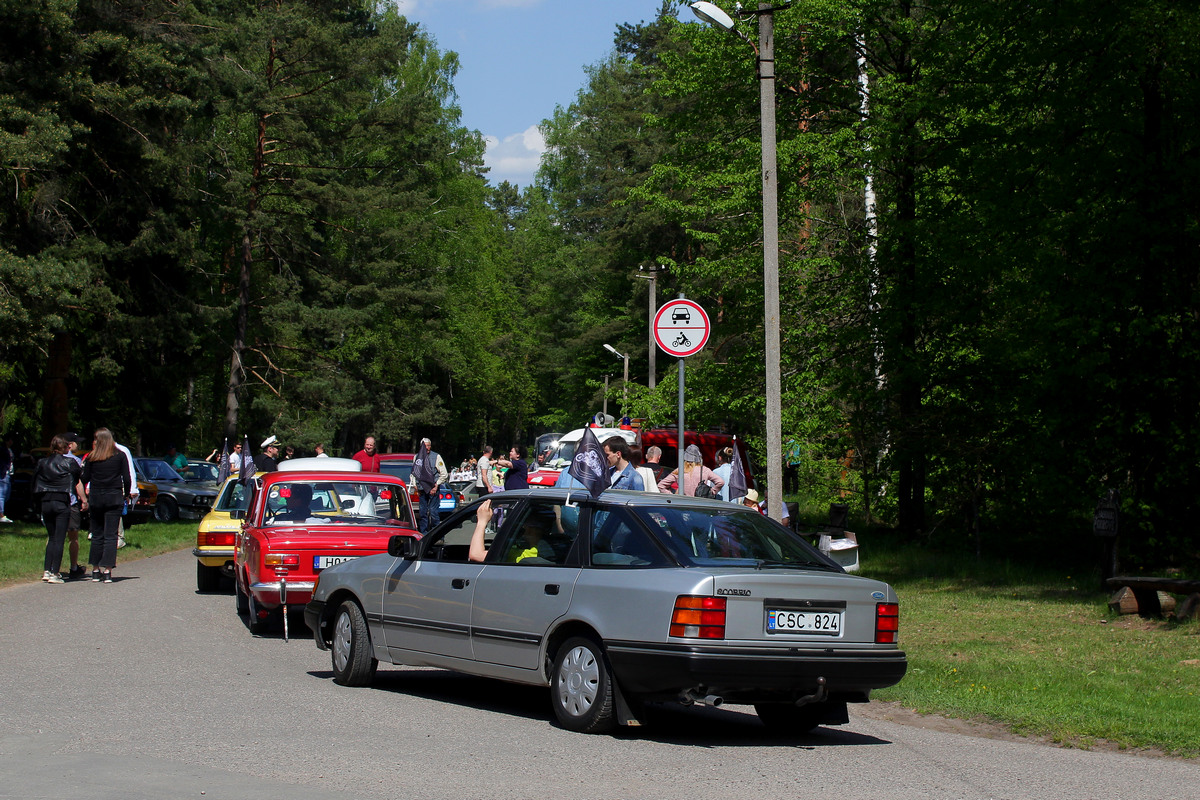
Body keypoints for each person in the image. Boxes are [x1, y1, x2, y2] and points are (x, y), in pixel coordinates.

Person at [33, 434, 86, 583]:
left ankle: (47, 570)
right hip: (61, 501)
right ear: (64, 447)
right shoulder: (69, 462)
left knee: (52, 537)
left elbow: (35, 481)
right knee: (60, 538)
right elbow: (78, 477)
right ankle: (55, 572)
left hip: (46, 501)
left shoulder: (42, 462)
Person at [82, 428, 132, 583]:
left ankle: (95, 570)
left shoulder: (92, 457)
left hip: (96, 497)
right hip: (113, 496)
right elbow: (127, 477)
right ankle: (107, 571)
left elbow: (84, 477)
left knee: (97, 534)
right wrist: (126, 494)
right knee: (111, 535)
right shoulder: (119, 456)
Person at [467, 500, 552, 563]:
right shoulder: (550, 550)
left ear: (530, 529)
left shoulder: (525, 554)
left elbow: (476, 555)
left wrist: (482, 522)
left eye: (525, 524)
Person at [63, 433, 88, 579]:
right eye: (76, 442)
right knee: (73, 536)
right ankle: (73, 566)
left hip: (54, 501)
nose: (78, 445)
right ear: (70, 445)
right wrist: (84, 499)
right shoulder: (75, 461)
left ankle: (51, 568)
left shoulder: (50, 459)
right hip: (70, 502)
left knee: (54, 536)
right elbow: (78, 482)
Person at [658, 444, 724, 498]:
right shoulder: (704, 470)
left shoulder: (680, 470)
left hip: (684, 503)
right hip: (701, 502)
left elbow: (661, 485)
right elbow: (720, 482)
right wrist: (712, 491)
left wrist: (673, 496)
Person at [412, 437, 448, 534]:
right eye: (425, 446)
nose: (427, 448)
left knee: (433, 512)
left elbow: (444, 474)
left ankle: (437, 534)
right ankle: (423, 534)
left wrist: (436, 485)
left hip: (433, 489)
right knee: (422, 513)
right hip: (421, 489)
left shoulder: (436, 457)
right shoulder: (417, 457)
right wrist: (415, 485)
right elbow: (414, 473)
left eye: (428, 445)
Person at [0, 433, 13, 523]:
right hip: (3, 474)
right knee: (1, 496)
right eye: (10, 440)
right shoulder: (2, 450)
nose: (12, 442)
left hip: (9, 474)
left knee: (6, 495)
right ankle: (1, 515)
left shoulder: (10, 450)